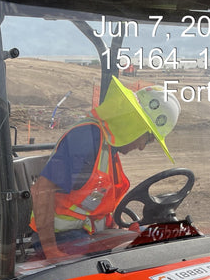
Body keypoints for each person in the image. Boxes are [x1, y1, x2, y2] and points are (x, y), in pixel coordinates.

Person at [30, 77, 180, 261]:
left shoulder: (107, 148)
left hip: (86, 235)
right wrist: (51, 250)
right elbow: (42, 190)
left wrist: (120, 230)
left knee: (159, 241)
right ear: (136, 124)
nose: (142, 147)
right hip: (62, 239)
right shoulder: (86, 138)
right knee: (134, 259)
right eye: (148, 139)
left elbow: (96, 205)